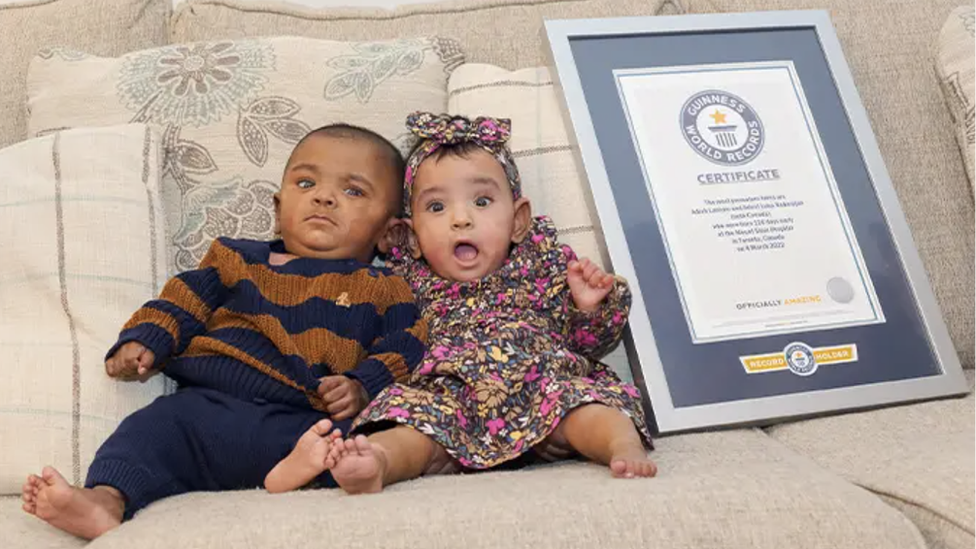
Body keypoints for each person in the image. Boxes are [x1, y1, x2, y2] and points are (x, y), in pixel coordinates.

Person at [20, 123, 427, 539]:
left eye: (353, 191)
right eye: (306, 182)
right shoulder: (235, 258)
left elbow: (408, 346)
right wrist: (146, 338)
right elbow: (184, 299)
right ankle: (105, 499)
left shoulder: (384, 287)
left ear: (389, 233)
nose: (323, 197)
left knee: (360, 446)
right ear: (278, 203)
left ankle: (298, 472)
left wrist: (363, 384)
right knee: (150, 429)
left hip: (307, 424)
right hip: (208, 412)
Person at [324, 112, 655, 495]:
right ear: (410, 236)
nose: (461, 219)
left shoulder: (542, 264)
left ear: (518, 220)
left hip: (542, 388)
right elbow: (378, 329)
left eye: (481, 201)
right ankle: (378, 461)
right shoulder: (406, 280)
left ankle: (621, 443)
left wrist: (587, 306)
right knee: (413, 428)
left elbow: (587, 341)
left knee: (588, 407)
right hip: (452, 399)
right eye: (436, 208)